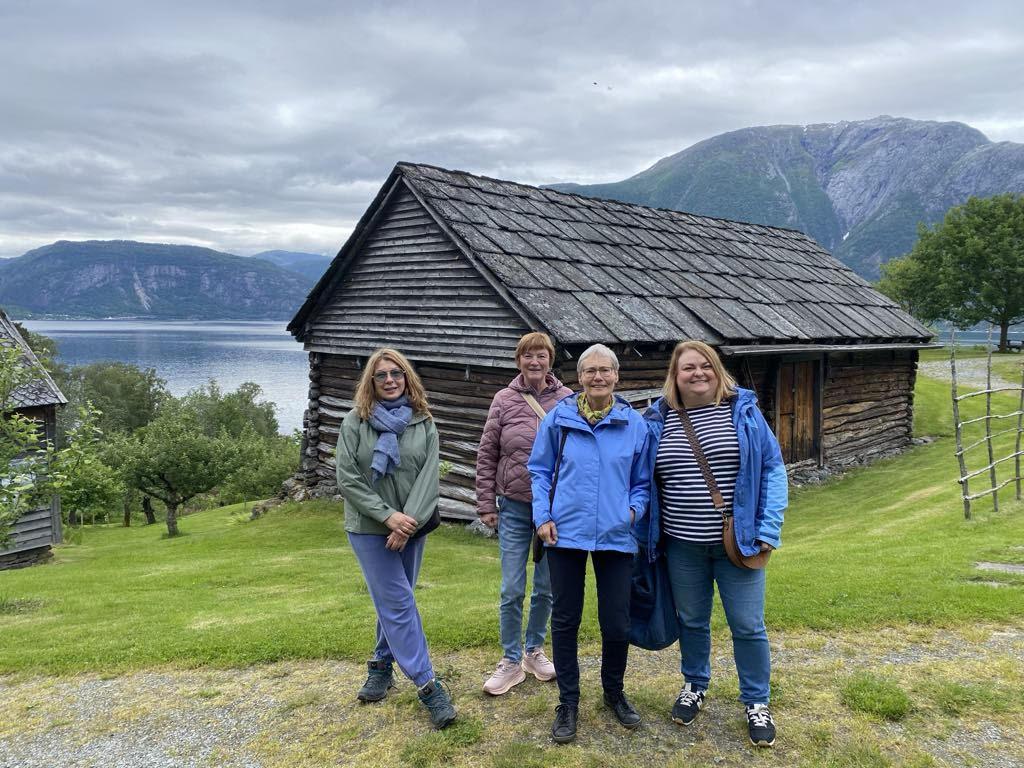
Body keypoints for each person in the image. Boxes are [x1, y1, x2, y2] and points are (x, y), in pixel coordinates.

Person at [643, 340, 786, 748]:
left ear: (717, 370)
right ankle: (695, 684)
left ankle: (757, 702)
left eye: (706, 365)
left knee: (747, 624)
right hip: (681, 546)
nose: (698, 373)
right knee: (691, 620)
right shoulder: (659, 419)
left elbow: (773, 469)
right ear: (675, 375)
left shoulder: (742, 411)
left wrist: (768, 528)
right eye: (688, 368)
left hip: (738, 544)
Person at [528, 343, 651, 744]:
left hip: (616, 536)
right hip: (564, 534)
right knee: (565, 620)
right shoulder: (558, 420)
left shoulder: (635, 425)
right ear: (578, 377)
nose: (598, 377)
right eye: (589, 371)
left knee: (617, 621)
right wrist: (542, 517)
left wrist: (632, 512)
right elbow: (540, 471)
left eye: (605, 370)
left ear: (617, 376)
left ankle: (614, 693)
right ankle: (569, 701)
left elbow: (642, 483)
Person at [335, 348, 456, 730]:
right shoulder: (355, 422)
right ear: (370, 382)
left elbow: (428, 478)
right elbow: (348, 478)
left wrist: (408, 523)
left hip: (412, 529)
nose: (390, 380)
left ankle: (381, 666)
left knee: (395, 600)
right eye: (381, 375)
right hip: (369, 530)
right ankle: (427, 684)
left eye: (397, 373)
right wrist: (388, 516)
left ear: (408, 378)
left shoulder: (424, 423)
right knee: (399, 603)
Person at [476, 332, 571, 695]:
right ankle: (511, 660)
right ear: (519, 361)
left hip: (555, 510)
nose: (535, 362)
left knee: (546, 587)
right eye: (528, 356)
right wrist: (486, 503)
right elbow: (487, 454)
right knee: (512, 586)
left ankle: (534, 650)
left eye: (542, 356)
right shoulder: (504, 399)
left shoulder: (566, 400)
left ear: (550, 361)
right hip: (514, 506)